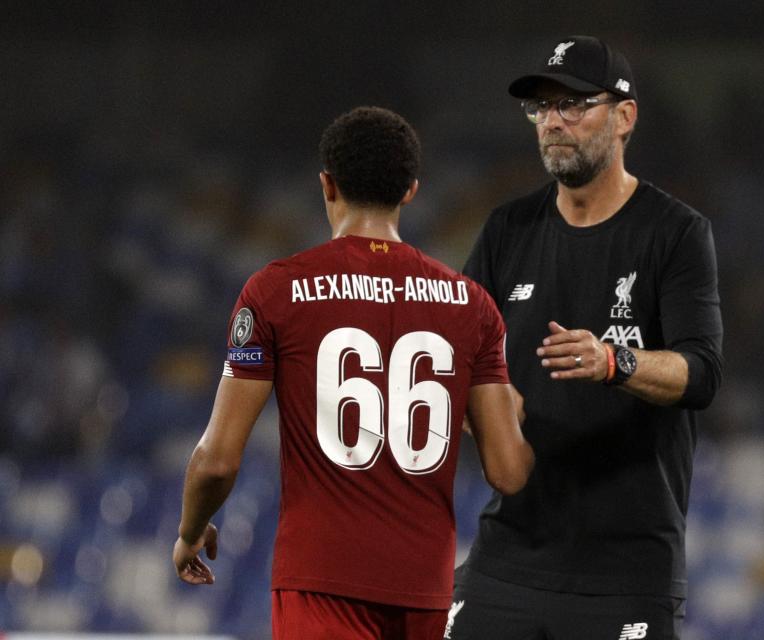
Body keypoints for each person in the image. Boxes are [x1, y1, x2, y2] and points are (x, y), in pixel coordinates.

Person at [172, 106, 534, 639]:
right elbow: (508, 471)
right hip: (425, 589)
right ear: (410, 189)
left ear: (327, 183)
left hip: (322, 581)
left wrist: (190, 530)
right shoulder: (471, 304)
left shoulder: (275, 291)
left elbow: (217, 460)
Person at [448, 36, 723, 640]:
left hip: (626, 569)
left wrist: (612, 361)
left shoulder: (674, 233)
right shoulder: (507, 228)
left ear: (625, 117)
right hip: (510, 556)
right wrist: (485, 410)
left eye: (573, 105)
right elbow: (455, 366)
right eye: (542, 108)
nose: (553, 122)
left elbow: (701, 374)